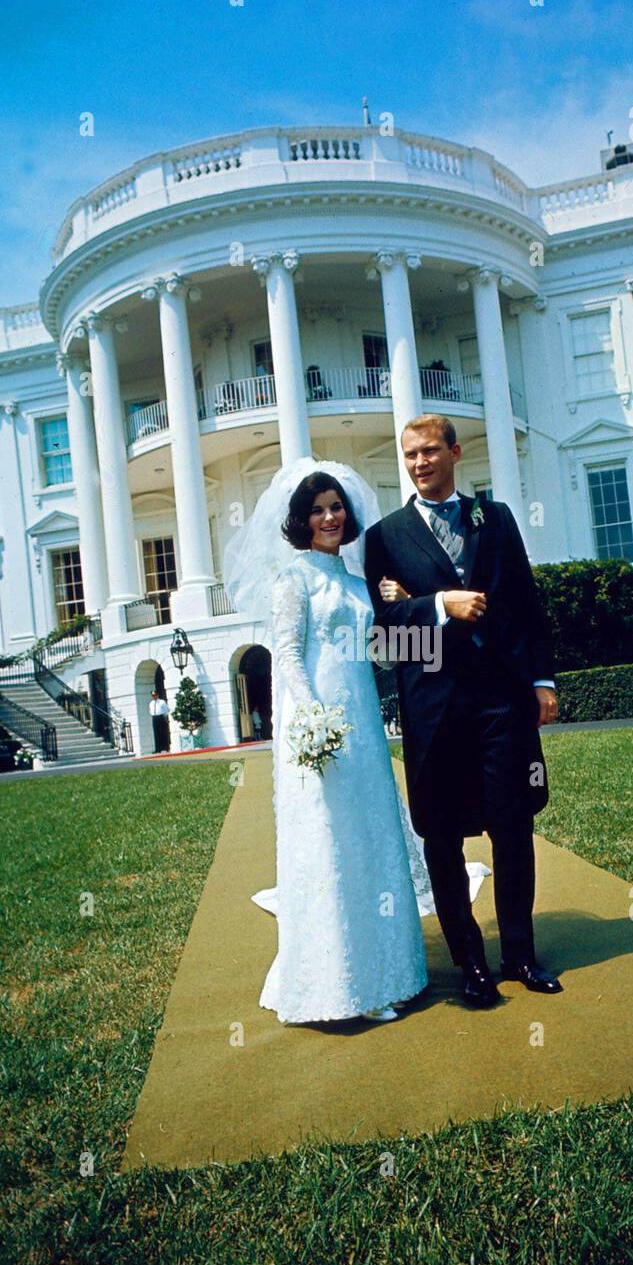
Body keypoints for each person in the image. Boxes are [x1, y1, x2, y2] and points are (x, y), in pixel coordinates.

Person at [223, 460, 491, 1025]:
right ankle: (338, 981)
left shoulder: (357, 581)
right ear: (302, 519)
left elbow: (383, 652)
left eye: (336, 508)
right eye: (318, 510)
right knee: (331, 839)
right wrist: (312, 718)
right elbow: (288, 655)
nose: (328, 517)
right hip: (320, 721)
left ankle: (388, 971)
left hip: (364, 722)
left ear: (347, 516)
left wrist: (404, 600)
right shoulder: (292, 580)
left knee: (370, 835)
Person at [364, 414, 563, 1008]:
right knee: (442, 837)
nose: (420, 463)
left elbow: (525, 604)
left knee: (513, 827)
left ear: (454, 452)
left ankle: (521, 956)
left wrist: (542, 679)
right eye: (410, 456)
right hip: (434, 712)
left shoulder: (496, 519)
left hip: (503, 703)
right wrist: (437, 607)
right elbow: (383, 641)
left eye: (429, 452)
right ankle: (472, 966)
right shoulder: (384, 537)